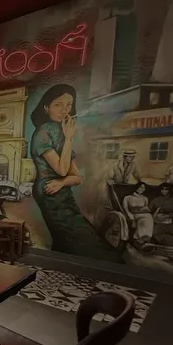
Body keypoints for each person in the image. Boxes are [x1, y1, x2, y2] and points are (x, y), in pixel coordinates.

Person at [29, 84, 121, 262]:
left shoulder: (59, 132)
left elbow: (76, 178)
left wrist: (62, 182)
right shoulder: (43, 132)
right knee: (77, 236)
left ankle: (62, 269)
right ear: (46, 107)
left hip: (61, 191)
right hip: (49, 192)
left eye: (69, 105)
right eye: (58, 104)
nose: (64, 110)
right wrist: (69, 138)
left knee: (68, 238)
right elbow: (62, 170)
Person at [150, 183, 173, 247]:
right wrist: (155, 216)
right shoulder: (155, 200)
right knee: (154, 233)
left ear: (170, 190)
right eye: (162, 189)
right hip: (157, 222)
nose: (164, 191)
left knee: (161, 233)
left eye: (166, 189)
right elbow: (149, 211)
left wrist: (167, 216)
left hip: (170, 223)